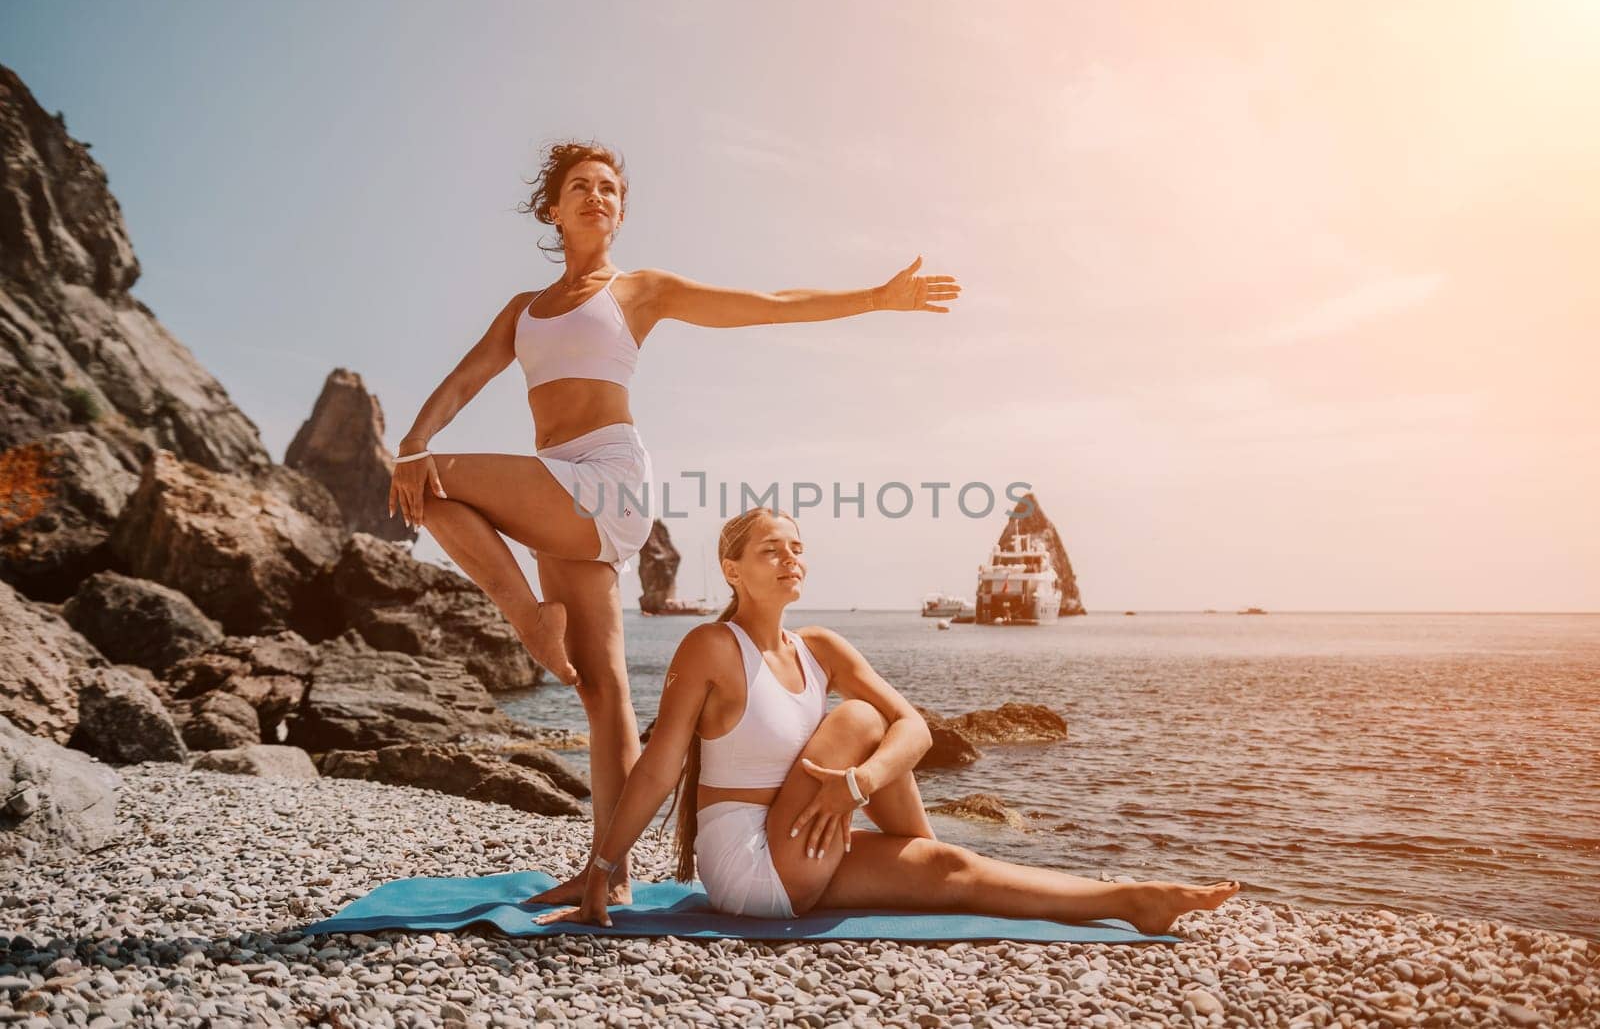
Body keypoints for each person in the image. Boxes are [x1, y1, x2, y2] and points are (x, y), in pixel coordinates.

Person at [386, 142, 962, 907]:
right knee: (603, 691)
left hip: (606, 480)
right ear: (551, 210)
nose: (598, 197)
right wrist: (410, 443)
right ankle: (610, 872)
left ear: (620, 211)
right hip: (559, 489)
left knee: (438, 477)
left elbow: (768, 303)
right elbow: (464, 379)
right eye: (581, 188)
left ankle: (528, 620)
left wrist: (875, 297)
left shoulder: (640, 291)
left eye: (611, 189)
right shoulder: (521, 312)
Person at [532, 508, 1242, 935]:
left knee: (951, 863)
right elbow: (659, 765)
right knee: (862, 716)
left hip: (803, 837)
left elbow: (920, 731)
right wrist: (602, 870)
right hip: (747, 862)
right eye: (770, 548)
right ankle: (913, 850)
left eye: (797, 546)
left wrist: (857, 785)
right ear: (733, 569)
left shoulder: (821, 648)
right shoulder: (712, 648)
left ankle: (1134, 899)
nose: (790, 557)